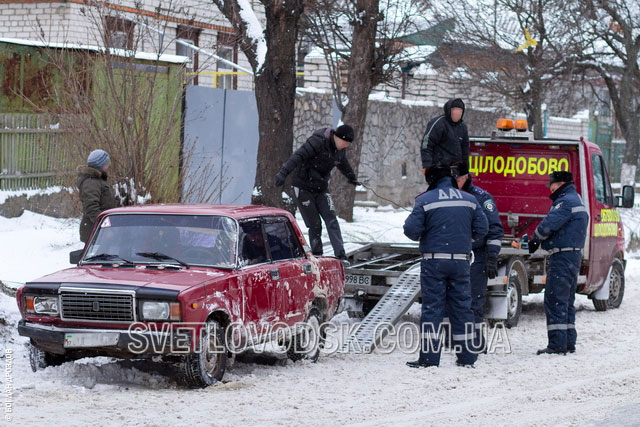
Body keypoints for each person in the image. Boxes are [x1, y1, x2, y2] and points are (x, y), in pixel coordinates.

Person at [403, 165, 488, 368]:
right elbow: (483, 228)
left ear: (432, 180)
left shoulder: (425, 200)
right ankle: (467, 357)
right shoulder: (469, 199)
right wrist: (465, 239)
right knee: (462, 308)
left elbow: (411, 230)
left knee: (433, 309)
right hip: (460, 261)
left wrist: (429, 233)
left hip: (434, 262)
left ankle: (430, 358)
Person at [275, 124, 360, 260]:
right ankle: (317, 255)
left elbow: (344, 164)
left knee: (331, 219)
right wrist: (283, 173)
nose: (345, 146)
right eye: (344, 143)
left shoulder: (340, 151)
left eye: (348, 144)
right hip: (303, 187)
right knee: (315, 225)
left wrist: (352, 178)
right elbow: (298, 156)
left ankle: (340, 254)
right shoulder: (317, 142)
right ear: (337, 137)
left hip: (321, 188)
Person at [528, 171, 588, 355]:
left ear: (560, 183)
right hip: (573, 256)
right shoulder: (576, 199)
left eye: (552, 185)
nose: (550, 188)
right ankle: (568, 342)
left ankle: (556, 345)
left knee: (555, 300)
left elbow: (548, 224)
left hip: (562, 258)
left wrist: (536, 240)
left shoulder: (565, 201)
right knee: (567, 300)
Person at [456, 163, 504, 352]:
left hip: (477, 256)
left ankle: (476, 342)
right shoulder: (451, 195)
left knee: (474, 301)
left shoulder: (482, 198)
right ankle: (456, 339)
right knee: (454, 300)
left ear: (466, 177)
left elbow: (494, 229)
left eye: (458, 179)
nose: (455, 183)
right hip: (455, 256)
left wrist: (492, 256)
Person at [420, 98, 469, 176]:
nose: (457, 113)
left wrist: (465, 170)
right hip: (439, 169)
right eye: (455, 110)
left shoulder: (462, 127)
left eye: (460, 111)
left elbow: (465, 150)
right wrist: (427, 165)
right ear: (449, 110)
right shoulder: (438, 124)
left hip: (456, 171)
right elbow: (426, 144)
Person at [77, 149, 116, 243]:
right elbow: (92, 208)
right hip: (95, 230)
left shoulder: (98, 180)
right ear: (101, 164)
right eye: (107, 162)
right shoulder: (91, 182)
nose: (108, 165)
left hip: (100, 229)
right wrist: (105, 226)